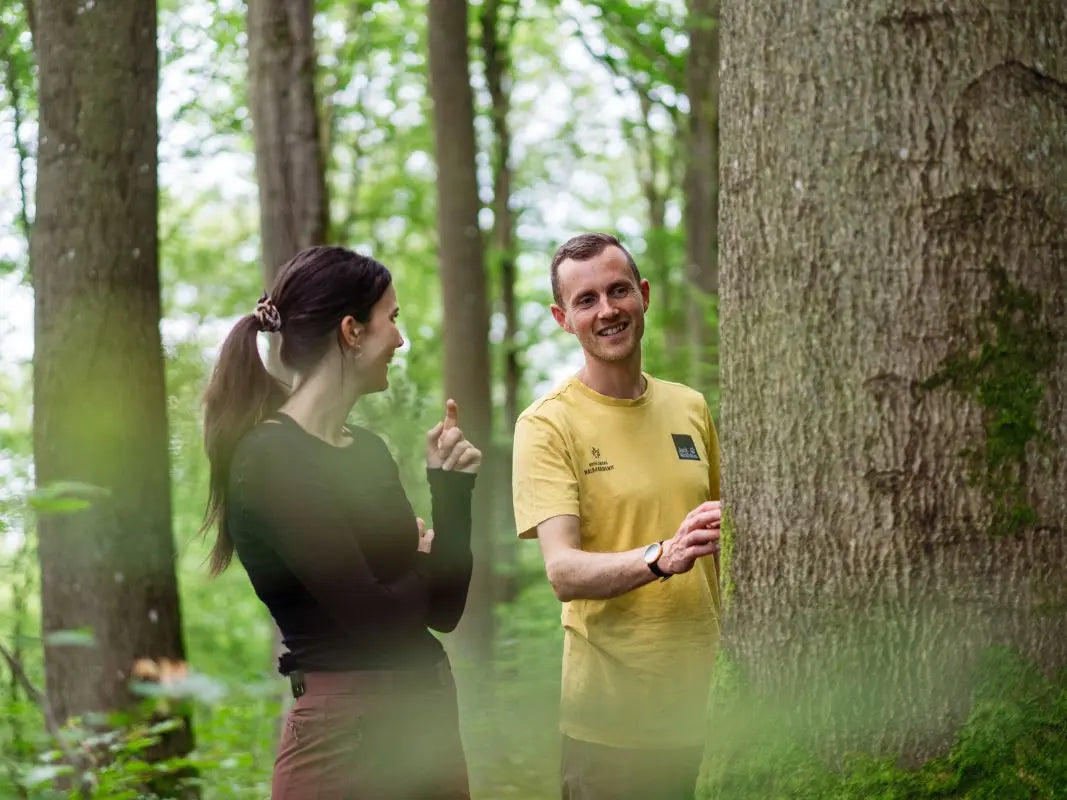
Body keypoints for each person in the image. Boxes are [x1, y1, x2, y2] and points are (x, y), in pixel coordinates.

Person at [200, 245, 481, 799]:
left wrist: (451, 493)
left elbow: (445, 610)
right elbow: (375, 618)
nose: (400, 339)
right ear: (351, 331)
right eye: (392, 319)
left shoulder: (369, 451)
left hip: (427, 717)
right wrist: (421, 562)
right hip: (348, 739)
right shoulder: (271, 460)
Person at [512, 232, 723, 799]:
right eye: (586, 301)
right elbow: (563, 572)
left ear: (644, 295)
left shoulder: (690, 407)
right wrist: (661, 556)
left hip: (714, 715)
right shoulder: (546, 425)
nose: (607, 310)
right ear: (563, 318)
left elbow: (726, 549)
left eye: (618, 290)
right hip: (611, 733)